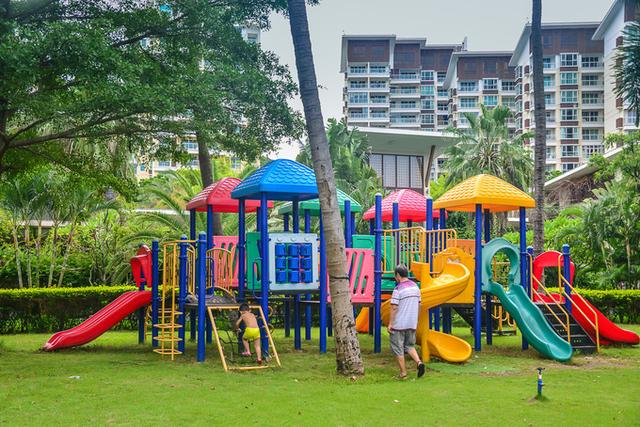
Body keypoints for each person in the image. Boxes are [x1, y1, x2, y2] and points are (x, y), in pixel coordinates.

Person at [388, 264, 425, 379]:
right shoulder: (415, 287)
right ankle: (419, 362)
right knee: (409, 346)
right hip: (411, 322)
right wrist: (416, 319)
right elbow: (419, 305)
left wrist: (390, 324)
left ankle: (403, 373)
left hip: (399, 324)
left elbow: (394, 308)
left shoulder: (398, 289)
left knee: (398, 348)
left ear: (398, 275)